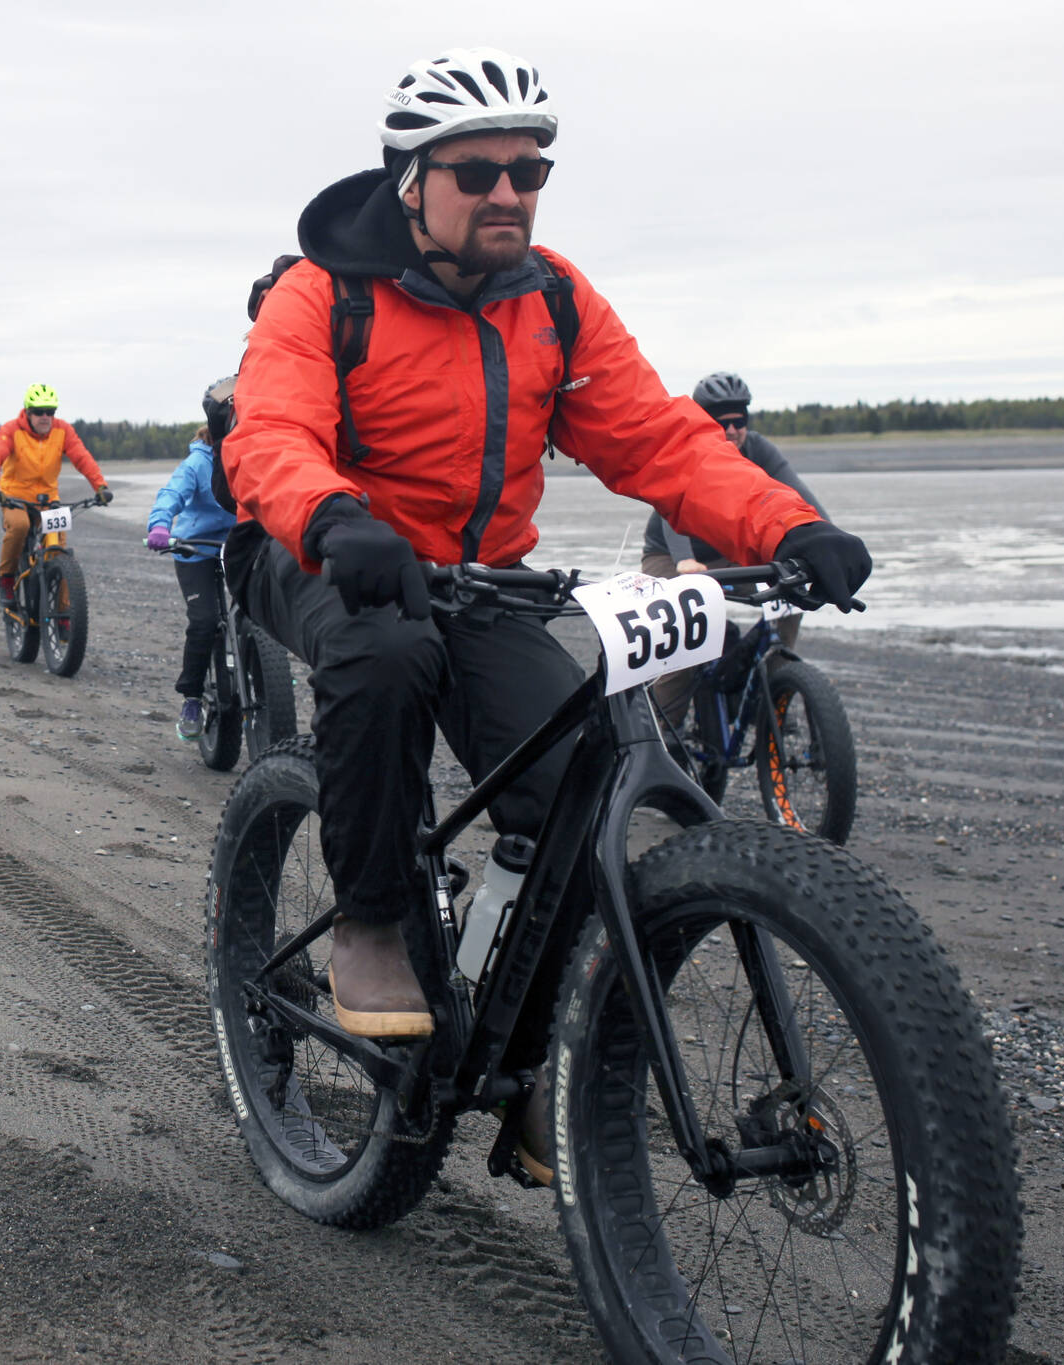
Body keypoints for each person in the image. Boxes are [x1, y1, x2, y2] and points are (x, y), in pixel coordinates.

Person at [221, 46, 871, 1051]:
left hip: (480, 582)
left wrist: (785, 521)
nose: (506, 194)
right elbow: (270, 436)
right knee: (384, 657)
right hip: (318, 552)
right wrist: (337, 519)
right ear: (410, 181)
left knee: (579, 786)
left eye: (526, 173)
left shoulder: (552, 300)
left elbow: (653, 437)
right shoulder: (324, 292)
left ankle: (530, 1063)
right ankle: (373, 917)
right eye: (475, 173)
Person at [641, 372, 828, 721]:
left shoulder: (758, 449)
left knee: (790, 595)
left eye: (738, 420)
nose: (730, 430)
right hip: (671, 555)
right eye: (718, 421)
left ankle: (774, 694)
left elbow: (801, 496)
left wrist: (826, 540)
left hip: (728, 553)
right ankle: (667, 729)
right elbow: (670, 515)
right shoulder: (685, 450)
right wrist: (684, 561)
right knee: (686, 634)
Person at [145, 380, 239, 739]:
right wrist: (159, 526)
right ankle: (192, 698)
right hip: (195, 548)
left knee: (257, 612)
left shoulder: (250, 449)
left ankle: (264, 668)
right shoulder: (198, 461)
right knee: (204, 622)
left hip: (237, 546)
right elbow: (171, 494)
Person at [0, 384, 112, 608]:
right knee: (20, 526)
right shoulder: (11, 430)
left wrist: (100, 487)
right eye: (39, 411)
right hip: (15, 496)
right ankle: (6, 578)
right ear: (28, 412)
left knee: (59, 551)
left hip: (47, 498)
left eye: (50, 412)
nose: (45, 417)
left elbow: (82, 457)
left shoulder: (63, 431)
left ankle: (63, 614)